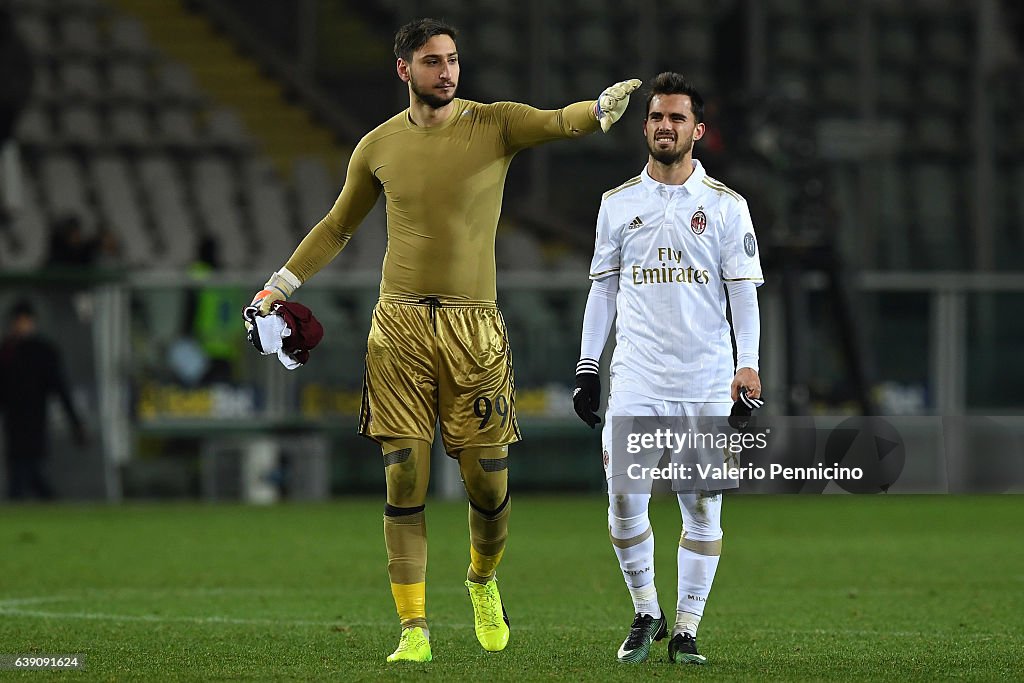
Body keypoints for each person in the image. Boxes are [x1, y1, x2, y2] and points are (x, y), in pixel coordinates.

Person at [245, 18, 641, 663]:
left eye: (453, 60)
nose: (448, 72)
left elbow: (556, 121)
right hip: (398, 324)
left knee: (486, 480)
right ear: (405, 70)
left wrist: (598, 111)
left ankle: (483, 581)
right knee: (404, 474)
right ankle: (414, 629)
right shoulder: (376, 147)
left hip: (472, 324)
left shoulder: (495, 124)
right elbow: (337, 226)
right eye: (433, 61)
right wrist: (277, 287)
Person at [572, 72, 763, 665]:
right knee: (624, 500)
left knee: (702, 504)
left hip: (706, 379)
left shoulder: (727, 208)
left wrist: (748, 367)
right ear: (646, 125)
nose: (664, 126)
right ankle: (645, 609)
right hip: (638, 378)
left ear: (697, 131)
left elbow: (745, 295)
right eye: (656, 117)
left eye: (677, 118)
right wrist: (587, 367)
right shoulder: (617, 203)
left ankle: (686, 629)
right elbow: (602, 291)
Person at [0, 300, 87, 500]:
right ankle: (48, 501)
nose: (20, 325)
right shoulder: (6, 351)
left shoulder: (44, 351)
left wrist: (75, 422)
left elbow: (61, 389)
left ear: (32, 322)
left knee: (25, 470)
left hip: (36, 419)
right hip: (13, 421)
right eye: (17, 321)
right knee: (25, 470)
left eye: (24, 321)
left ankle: (34, 501)